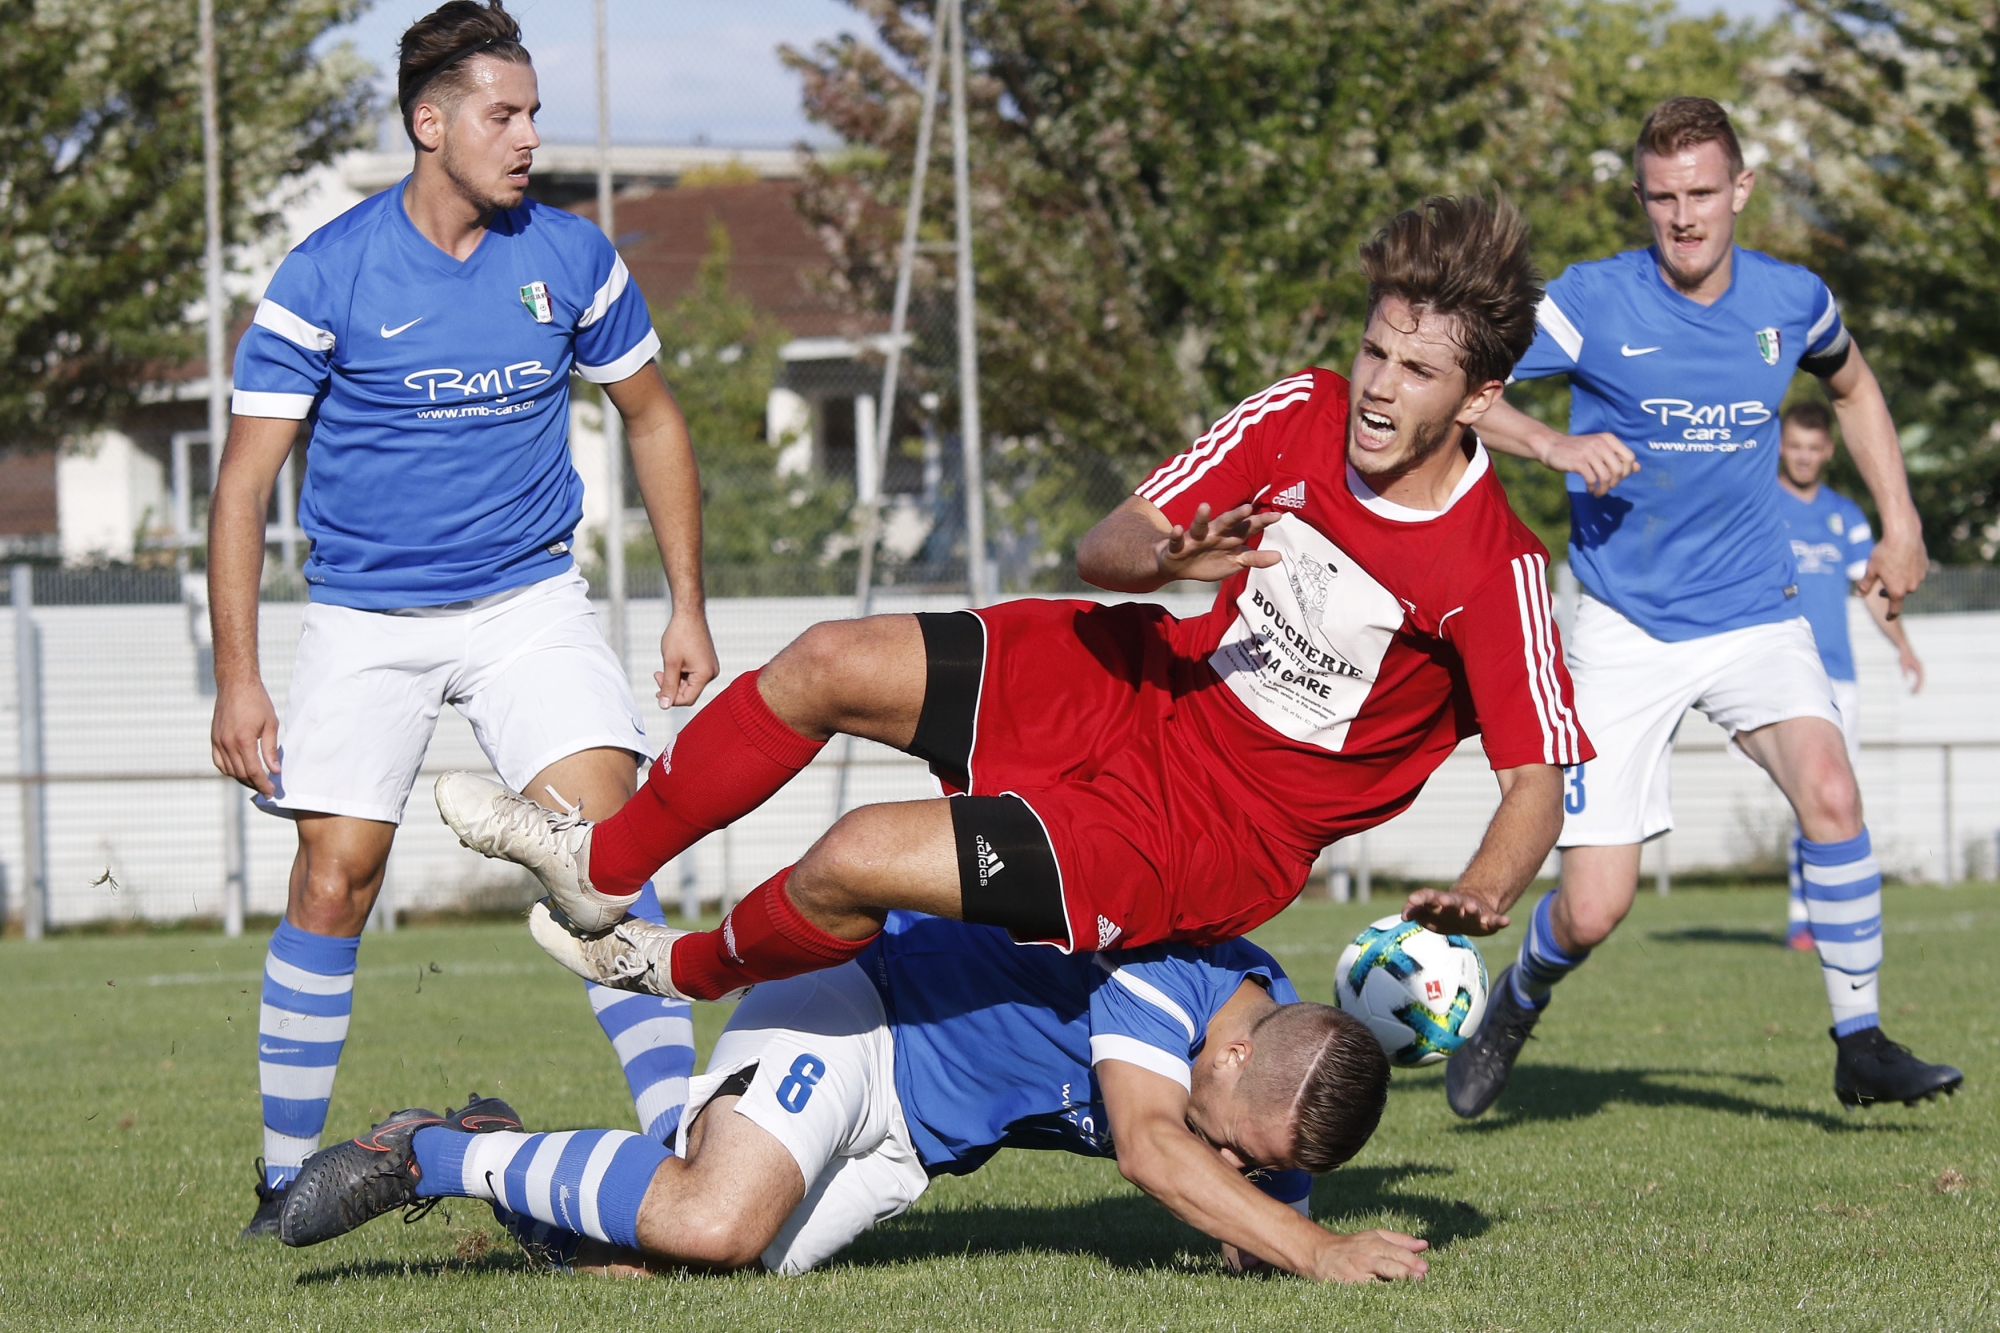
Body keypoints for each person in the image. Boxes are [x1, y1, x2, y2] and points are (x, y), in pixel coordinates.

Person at [432, 195, 1587, 1008]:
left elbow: (1536, 775)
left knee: (853, 853)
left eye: (1416, 371)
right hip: (1140, 675)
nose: (1377, 389)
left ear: (1481, 396)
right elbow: (1108, 543)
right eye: (1374, 350)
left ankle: (676, 972)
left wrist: (1487, 889)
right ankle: (603, 868)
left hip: (1209, 829)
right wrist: (1172, 555)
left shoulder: (1495, 570)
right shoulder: (1300, 406)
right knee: (828, 658)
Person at [208, 0, 717, 1236]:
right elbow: (242, 481)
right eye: (505, 113)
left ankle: (688, 1149)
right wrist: (239, 677)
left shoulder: (573, 256)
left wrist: (683, 603)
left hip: (527, 603)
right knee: (336, 877)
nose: (528, 136)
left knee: (607, 850)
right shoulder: (327, 270)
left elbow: (652, 415)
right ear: (429, 124)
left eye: (534, 112)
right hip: (363, 615)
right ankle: (282, 1185)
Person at [1457, 96, 1960, 1115]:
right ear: (1640, 200)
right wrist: (1551, 444)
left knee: (1830, 790)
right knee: (1594, 908)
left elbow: (1854, 388)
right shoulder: (1590, 301)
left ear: (1739, 190)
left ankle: (1858, 1041)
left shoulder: (1791, 300)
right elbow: (1461, 385)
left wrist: (1898, 523)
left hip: (1751, 612)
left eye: (1699, 193)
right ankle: (1517, 994)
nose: (1681, 218)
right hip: (1621, 624)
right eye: (1659, 199)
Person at [277, 912, 1429, 1283]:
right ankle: (427, 1148)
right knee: (716, 1218)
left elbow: (1267, 1134)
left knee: (659, 1265)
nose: (1235, 1165)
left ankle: (511, 1154)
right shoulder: (1166, 989)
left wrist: (1270, 1210)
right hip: (857, 1010)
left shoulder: (1272, 1033)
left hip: (908, 1148)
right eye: (1235, 1144)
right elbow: (1150, 1150)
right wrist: (1309, 1247)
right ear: (1222, 1062)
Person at [1774, 400, 1925, 949]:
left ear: (1829, 451)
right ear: (1780, 445)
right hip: (1783, 672)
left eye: (1815, 448)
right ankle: (1801, 916)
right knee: (1806, 792)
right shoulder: (1761, 506)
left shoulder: (1846, 516)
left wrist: (1904, 646)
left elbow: (1875, 590)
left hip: (1842, 679)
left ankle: (1828, 912)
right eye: (1796, 446)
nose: (1805, 457)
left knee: (1839, 796)